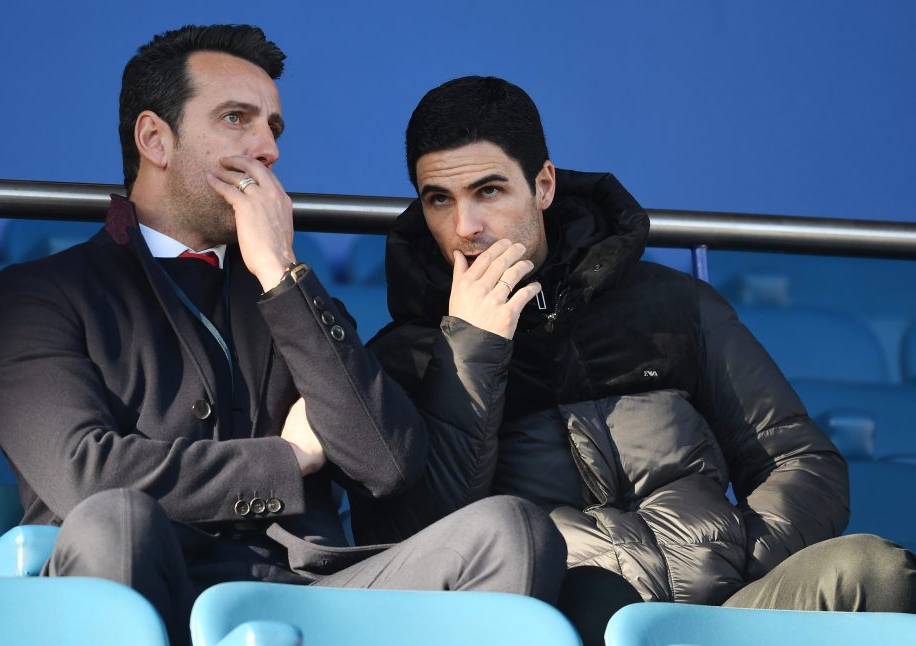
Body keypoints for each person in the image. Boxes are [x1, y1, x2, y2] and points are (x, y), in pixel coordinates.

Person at [0, 32, 566, 645]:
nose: (267, 149)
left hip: (308, 594)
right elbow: (87, 479)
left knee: (510, 531)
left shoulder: (287, 291)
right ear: (155, 139)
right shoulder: (36, 294)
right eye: (237, 119)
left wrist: (281, 271)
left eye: (274, 129)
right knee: (115, 519)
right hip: (149, 583)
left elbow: (388, 464)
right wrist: (288, 460)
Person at [355, 75, 916, 642]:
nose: (464, 227)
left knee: (877, 571)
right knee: (589, 600)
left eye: (489, 191)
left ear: (543, 185)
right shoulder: (406, 360)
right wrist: (473, 349)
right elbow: (416, 544)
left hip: (725, 607)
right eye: (439, 200)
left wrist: (736, 557)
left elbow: (802, 461)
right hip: (567, 624)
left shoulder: (671, 304)